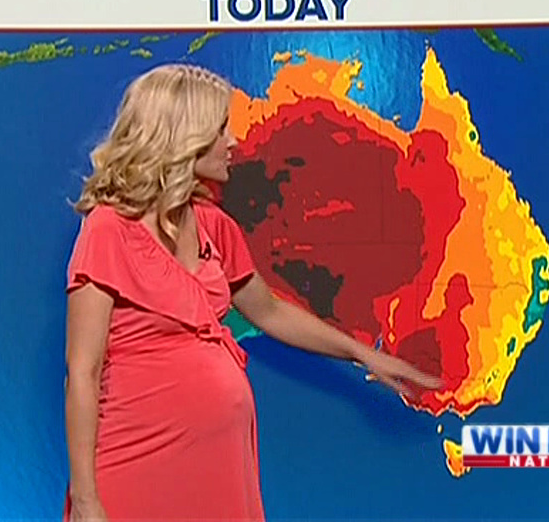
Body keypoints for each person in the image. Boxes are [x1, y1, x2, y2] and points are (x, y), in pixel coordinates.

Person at [62, 63, 442, 522]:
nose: (233, 141)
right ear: (183, 136)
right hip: (137, 464)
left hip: (218, 468)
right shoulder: (108, 231)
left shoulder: (215, 227)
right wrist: (86, 500)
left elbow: (270, 311)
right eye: (220, 128)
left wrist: (362, 354)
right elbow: (82, 372)